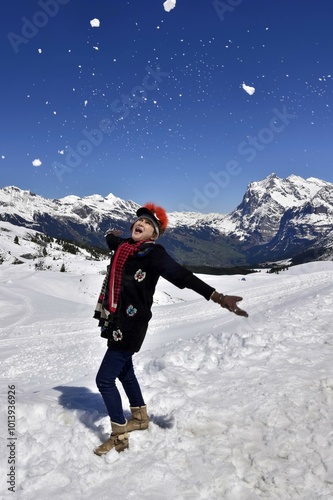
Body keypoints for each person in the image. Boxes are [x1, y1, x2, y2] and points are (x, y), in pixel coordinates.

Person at [93, 202, 248, 456]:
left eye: (147, 223)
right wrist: (108, 233)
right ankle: (140, 417)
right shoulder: (124, 247)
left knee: (104, 380)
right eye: (138, 221)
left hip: (132, 325)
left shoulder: (154, 254)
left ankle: (119, 436)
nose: (139, 224)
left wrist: (218, 297)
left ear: (154, 234)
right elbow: (113, 240)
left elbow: (183, 276)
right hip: (116, 320)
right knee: (124, 371)